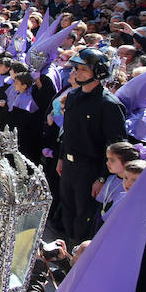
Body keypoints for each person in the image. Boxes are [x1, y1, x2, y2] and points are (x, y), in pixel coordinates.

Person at [57, 48, 128, 245]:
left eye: (83, 69)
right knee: (68, 209)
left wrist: (102, 177)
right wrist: (62, 158)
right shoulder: (73, 96)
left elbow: (116, 145)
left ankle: (77, 256)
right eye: (76, 68)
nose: (76, 72)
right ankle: (65, 251)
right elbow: (68, 131)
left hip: (90, 169)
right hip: (69, 165)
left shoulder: (109, 105)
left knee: (84, 215)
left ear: (98, 73)